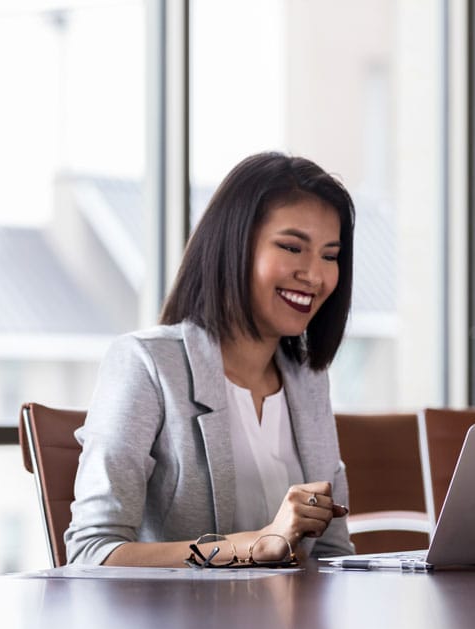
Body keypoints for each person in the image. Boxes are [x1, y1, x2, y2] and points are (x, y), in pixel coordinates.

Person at [64, 152, 356, 567]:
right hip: (182, 628)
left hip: (293, 628)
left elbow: (331, 553)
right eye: (292, 247)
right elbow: (92, 554)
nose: (314, 275)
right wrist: (255, 545)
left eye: (330, 255)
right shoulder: (147, 365)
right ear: (234, 246)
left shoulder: (309, 380)